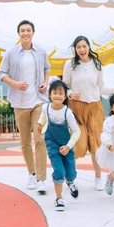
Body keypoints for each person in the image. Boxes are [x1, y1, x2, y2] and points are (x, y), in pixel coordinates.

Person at [62, 35, 114, 191]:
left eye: (84, 46)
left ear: (89, 47)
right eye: (79, 47)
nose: (82, 50)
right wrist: (70, 94)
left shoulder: (96, 64)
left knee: (96, 144)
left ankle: (98, 178)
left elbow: (101, 88)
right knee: (77, 143)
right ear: (75, 49)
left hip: (94, 107)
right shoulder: (70, 65)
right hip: (76, 108)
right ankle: (70, 177)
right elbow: (64, 86)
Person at [0, 19, 50, 194]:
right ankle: (31, 173)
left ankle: (41, 179)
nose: (25, 33)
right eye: (22, 30)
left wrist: (45, 82)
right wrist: (15, 84)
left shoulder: (41, 52)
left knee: (40, 138)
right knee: (25, 142)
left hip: (38, 101)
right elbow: (2, 73)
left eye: (28, 30)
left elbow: (47, 69)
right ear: (19, 33)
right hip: (19, 103)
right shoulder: (10, 53)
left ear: (33, 33)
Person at [37, 80, 81, 211]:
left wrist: (68, 146)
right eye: (54, 93)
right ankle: (59, 198)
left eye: (61, 93)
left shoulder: (67, 113)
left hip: (66, 145)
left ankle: (71, 181)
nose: (57, 95)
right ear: (49, 95)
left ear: (65, 96)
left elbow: (77, 131)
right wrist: (39, 124)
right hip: (52, 144)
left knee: (71, 172)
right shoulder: (45, 108)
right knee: (59, 171)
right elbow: (43, 117)